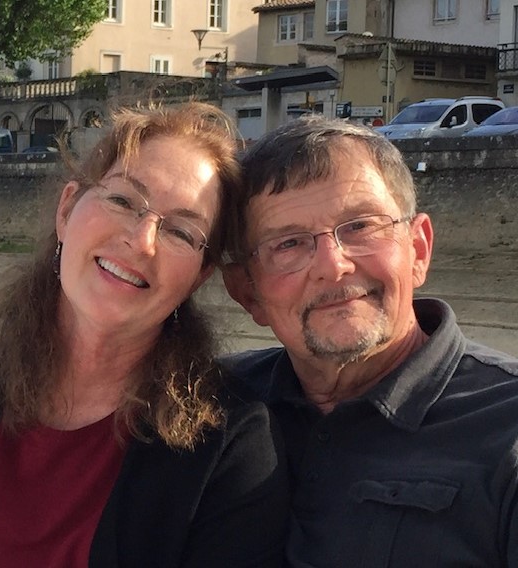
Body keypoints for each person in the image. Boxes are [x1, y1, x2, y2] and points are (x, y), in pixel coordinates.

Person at [0, 102, 288, 568]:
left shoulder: (230, 446)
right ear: (67, 209)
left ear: (198, 276)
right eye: (123, 201)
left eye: (180, 231)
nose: (142, 240)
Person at [222, 115, 518, 567]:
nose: (332, 265)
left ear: (418, 250)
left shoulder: (507, 429)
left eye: (360, 226)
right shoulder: (207, 410)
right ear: (248, 294)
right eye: (289, 243)